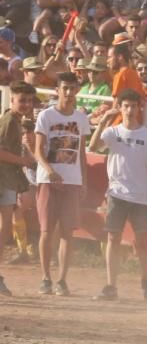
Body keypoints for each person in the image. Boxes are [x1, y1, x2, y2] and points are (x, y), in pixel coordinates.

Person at [89, 89, 147, 301]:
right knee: (113, 237)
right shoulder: (113, 132)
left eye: (133, 106)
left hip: (140, 195)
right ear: (120, 107)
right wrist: (103, 122)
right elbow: (93, 146)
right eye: (125, 106)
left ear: (139, 108)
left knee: (142, 241)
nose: (129, 110)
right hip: (117, 194)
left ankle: (146, 280)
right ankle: (111, 285)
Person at [34, 71, 90, 296]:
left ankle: (62, 279)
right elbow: (38, 150)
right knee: (47, 230)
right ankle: (46, 277)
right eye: (64, 88)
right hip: (48, 179)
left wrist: (84, 181)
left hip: (72, 180)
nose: (68, 92)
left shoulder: (81, 118)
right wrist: (50, 170)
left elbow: (82, 153)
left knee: (68, 231)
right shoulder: (46, 116)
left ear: (76, 90)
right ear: (57, 90)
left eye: (72, 88)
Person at [0, 81, 37, 297]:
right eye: (22, 100)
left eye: (29, 101)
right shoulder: (9, 122)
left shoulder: (14, 121)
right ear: (12, 99)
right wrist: (22, 161)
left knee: (5, 228)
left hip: (7, 179)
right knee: (4, 228)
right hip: (3, 178)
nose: (26, 104)